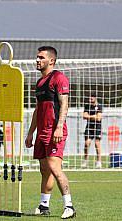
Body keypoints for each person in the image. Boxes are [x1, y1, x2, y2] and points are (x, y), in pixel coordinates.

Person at [25, 46, 76, 219]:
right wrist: (31, 133)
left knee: (55, 167)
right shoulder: (39, 83)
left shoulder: (59, 78)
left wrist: (59, 126)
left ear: (51, 61)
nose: (37, 60)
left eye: (41, 57)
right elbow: (37, 110)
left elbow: (64, 104)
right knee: (44, 169)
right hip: (41, 133)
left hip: (55, 132)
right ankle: (43, 205)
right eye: (36, 57)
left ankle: (69, 206)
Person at [82, 96, 103, 168]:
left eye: (91, 98)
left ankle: (99, 161)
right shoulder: (87, 106)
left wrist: (89, 116)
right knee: (87, 143)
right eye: (89, 98)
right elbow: (84, 116)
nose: (89, 99)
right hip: (89, 127)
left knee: (97, 144)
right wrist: (94, 116)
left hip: (97, 127)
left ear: (95, 98)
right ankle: (85, 161)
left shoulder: (99, 106)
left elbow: (99, 118)